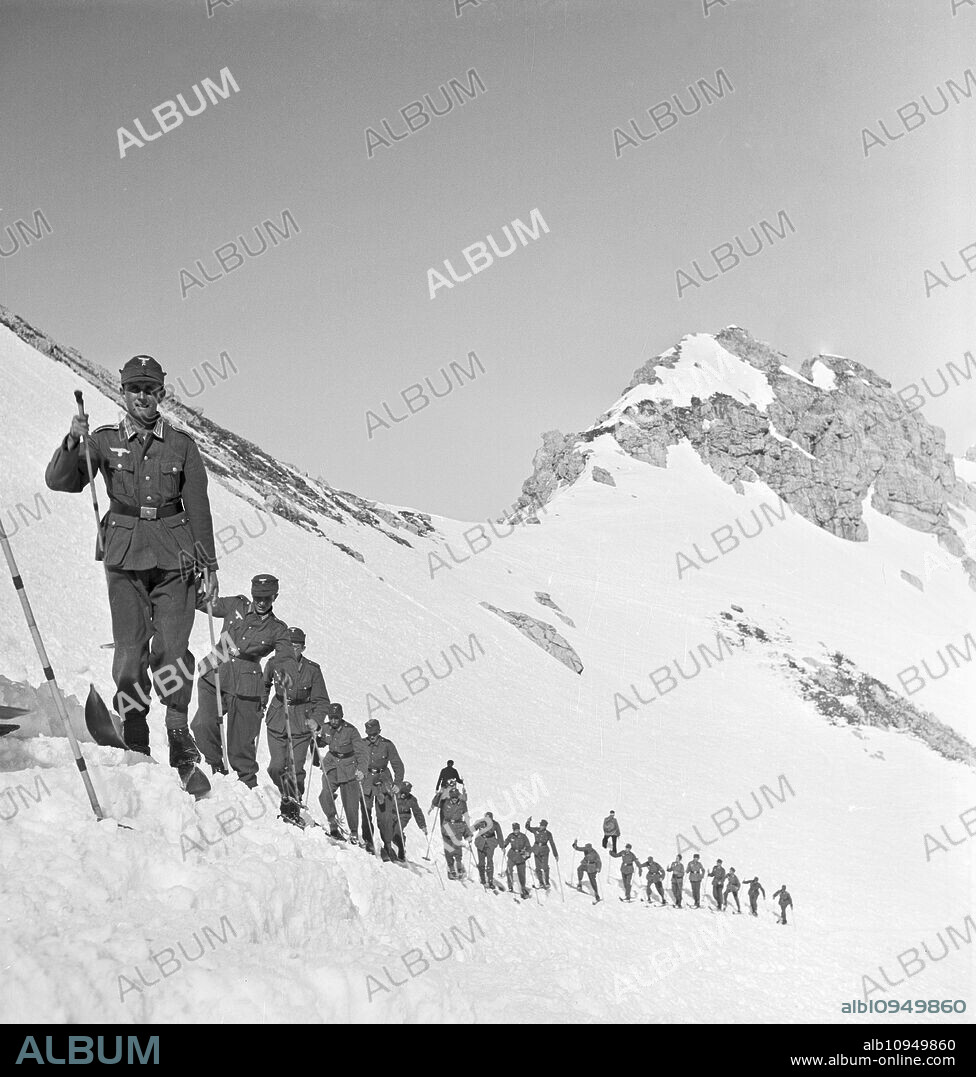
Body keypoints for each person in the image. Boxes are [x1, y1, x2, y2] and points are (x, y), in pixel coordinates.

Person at [45, 355, 218, 795]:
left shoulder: (182, 445)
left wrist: (209, 566)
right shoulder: (101, 441)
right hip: (123, 556)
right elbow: (61, 481)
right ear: (122, 393)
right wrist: (71, 440)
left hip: (176, 558)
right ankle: (135, 723)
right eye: (134, 389)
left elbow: (197, 506)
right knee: (129, 649)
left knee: (174, 648)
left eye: (150, 389)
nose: (142, 396)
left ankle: (178, 728)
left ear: (162, 393)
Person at [192, 573, 291, 788]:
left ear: (275, 597)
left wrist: (284, 672)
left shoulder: (277, 629)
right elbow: (204, 603)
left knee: (241, 744)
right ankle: (216, 768)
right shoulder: (235, 605)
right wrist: (194, 583)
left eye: (267, 598)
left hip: (246, 684)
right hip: (215, 672)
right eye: (257, 598)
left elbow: (285, 657)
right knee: (202, 725)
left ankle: (247, 785)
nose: (261, 603)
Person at [263, 627, 329, 824]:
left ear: (303, 648)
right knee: (276, 767)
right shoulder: (274, 663)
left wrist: (316, 720)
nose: (292, 650)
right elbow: (264, 685)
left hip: (301, 723)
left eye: (297, 647)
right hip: (277, 720)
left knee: (295, 769)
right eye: (288, 646)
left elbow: (322, 700)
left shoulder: (312, 670)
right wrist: (260, 703)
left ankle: (292, 803)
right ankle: (287, 793)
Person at [316, 703, 369, 843]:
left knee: (351, 803)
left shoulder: (351, 731)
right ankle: (333, 824)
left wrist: (362, 770)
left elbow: (362, 753)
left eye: (336, 718)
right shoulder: (326, 728)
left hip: (349, 768)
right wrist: (315, 738)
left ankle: (353, 832)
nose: (333, 720)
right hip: (331, 765)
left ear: (341, 717)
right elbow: (322, 741)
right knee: (325, 794)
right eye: (331, 717)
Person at [360, 718, 405, 854]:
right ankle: (368, 841)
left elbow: (398, 765)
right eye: (369, 734)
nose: (372, 736)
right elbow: (354, 760)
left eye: (374, 733)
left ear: (379, 731)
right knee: (365, 813)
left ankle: (388, 845)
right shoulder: (361, 744)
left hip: (383, 782)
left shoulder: (387, 745)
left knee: (385, 817)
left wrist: (397, 783)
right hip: (366, 781)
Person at [374, 780, 427, 861]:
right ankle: (389, 849)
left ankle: (401, 851)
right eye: (402, 791)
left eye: (406, 793)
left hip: (404, 816)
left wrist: (422, 825)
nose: (403, 794)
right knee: (389, 831)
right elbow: (383, 799)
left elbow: (417, 812)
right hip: (392, 814)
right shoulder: (393, 795)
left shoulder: (412, 799)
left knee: (397, 831)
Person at [431, 782, 470, 879]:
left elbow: (466, 816)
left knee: (457, 846)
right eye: (452, 797)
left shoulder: (462, 804)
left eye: (456, 797)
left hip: (458, 826)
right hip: (447, 826)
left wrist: (467, 833)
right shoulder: (445, 802)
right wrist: (439, 794)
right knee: (448, 848)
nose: (454, 798)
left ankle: (459, 864)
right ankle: (451, 867)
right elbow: (435, 803)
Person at [525, 816, 558, 889]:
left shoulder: (548, 833)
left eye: (542, 825)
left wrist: (555, 854)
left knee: (545, 867)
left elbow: (552, 843)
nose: (540, 826)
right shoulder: (536, 830)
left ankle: (547, 882)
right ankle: (541, 882)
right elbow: (528, 828)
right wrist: (528, 821)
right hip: (536, 849)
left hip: (544, 850)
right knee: (538, 867)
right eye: (540, 825)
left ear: (545, 826)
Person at [473, 812, 504, 889]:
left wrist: (502, 846)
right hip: (481, 843)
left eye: (489, 818)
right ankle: (482, 879)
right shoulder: (481, 823)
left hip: (490, 843)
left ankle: (490, 880)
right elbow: (473, 828)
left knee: (490, 862)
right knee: (481, 862)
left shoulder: (495, 824)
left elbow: (499, 835)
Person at [502, 822, 532, 898]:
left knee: (521, 873)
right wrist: (503, 845)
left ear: (519, 829)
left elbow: (529, 847)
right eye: (514, 830)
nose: (516, 831)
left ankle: (523, 887)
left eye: (517, 829)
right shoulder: (511, 836)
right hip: (512, 855)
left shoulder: (523, 836)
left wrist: (527, 853)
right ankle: (510, 886)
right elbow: (506, 841)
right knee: (509, 870)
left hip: (521, 856)